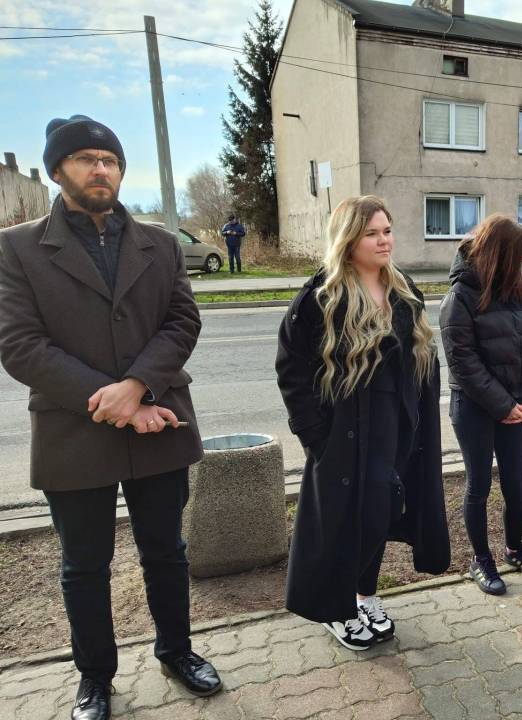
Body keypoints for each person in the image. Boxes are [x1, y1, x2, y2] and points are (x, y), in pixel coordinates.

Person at [0, 115, 221, 720]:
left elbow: (183, 322)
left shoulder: (160, 243)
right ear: (57, 170)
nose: (101, 169)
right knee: (84, 566)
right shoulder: (18, 247)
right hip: (73, 431)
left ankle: (177, 651)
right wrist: (115, 400)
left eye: (111, 160)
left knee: (167, 551)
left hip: (158, 420)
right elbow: (20, 344)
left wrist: (138, 387)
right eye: (86, 159)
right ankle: (95, 678)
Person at [276, 195, 450, 651]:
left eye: (387, 231)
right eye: (372, 233)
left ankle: (363, 595)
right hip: (344, 433)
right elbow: (292, 369)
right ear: (349, 239)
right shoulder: (321, 296)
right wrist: (314, 436)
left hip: (395, 427)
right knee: (342, 523)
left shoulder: (402, 288)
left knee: (382, 512)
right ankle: (336, 610)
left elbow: (421, 361)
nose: (383, 241)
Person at [439, 214, 522, 595]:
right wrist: (502, 405)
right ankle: (480, 559)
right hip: (474, 408)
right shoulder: (460, 296)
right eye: (520, 252)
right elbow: (463, 363)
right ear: (501, 253)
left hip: (513, 407)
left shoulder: (520, 292)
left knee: (516, 486)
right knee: (479, 485)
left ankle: (515, 548)